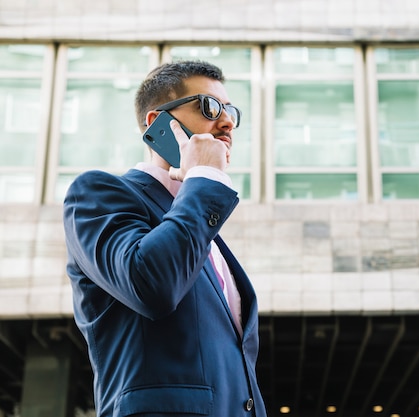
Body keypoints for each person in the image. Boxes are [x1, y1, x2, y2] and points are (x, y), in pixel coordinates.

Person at [63, 60, 266, 417]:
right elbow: (151, 285)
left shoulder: (203, 223)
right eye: (209, 107)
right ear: (158, 123)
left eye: (231, 111)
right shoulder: (97, 194)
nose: (228, 122)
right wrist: (203, 176)